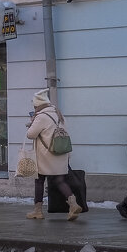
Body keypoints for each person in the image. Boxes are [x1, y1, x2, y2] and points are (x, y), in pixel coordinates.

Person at [25, 89, 81, 221]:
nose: (34, 107)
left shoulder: (41, 116)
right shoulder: (58, 114)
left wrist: (32, 123)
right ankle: (73, 204)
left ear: (38, 105)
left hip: (45, 156)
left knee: (39, 181)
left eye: (34, 105)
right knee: (59, 180)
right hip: (61, 153)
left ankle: (38, 211)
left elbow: (31, 135)